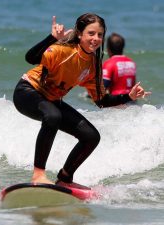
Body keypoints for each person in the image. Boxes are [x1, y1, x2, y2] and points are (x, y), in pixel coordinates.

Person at [13, 13, 151, 185]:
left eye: (100, 35)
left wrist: (128, 96)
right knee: (53, 116)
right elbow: (30, 58)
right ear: (80, 34)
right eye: (91, 33)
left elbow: (102, 101)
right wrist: (52, 38)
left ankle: (65, 177)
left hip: (52, 100)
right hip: (27, 92)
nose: (96, 38)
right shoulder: (63, 50)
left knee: (91, 136)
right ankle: (38, 174)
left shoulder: (93, 64)